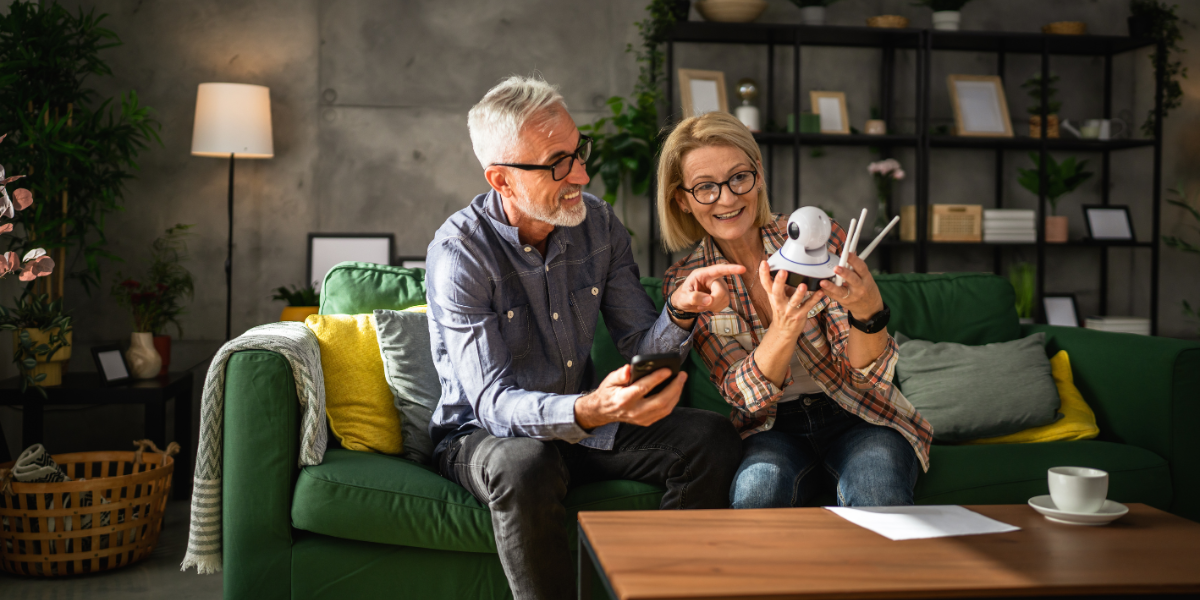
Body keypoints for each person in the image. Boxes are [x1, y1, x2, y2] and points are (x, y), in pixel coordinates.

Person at [425, 76, 743, 600]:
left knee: (710, 439)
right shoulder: (461, 254)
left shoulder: (597, 224)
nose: (582, 173)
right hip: (483, 436)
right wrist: (588, 411)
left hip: (580, 425)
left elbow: (642, 340)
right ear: (502, 181)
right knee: (526, 462)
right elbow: (492, 402)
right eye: (558, 163)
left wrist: (682, 310)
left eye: (579, 152)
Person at [657, 111, 933, 510]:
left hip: (859, 414)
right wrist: (785, 328)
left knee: (878, 491)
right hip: (771, 430)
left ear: (759, 174)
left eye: (738, 177)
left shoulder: (818, 237)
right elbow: (744, 396)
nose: (729, 198)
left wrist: (868, 313)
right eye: (705, 187)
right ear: (682, 199)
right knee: (756, 497)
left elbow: (867, 377)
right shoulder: (688, 282)